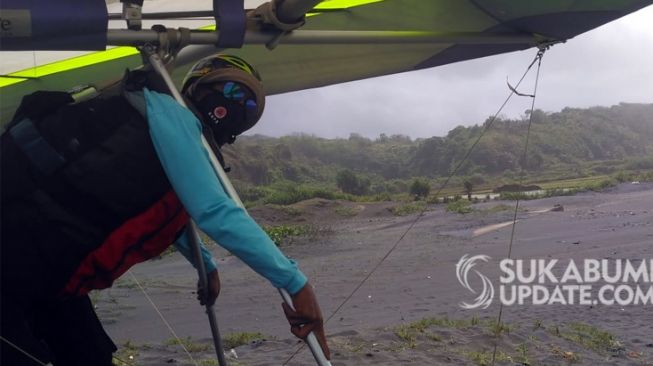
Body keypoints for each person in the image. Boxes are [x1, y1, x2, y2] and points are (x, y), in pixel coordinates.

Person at [0, 54, 330, 365]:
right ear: (201, 85)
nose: (238, 105)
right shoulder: (169, 113)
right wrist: (295, 283)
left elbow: (161, 209)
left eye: (250, 104)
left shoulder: (181, 139)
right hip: (15, 261)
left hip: (51, 277)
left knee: (90, 355)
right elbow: (215, 211)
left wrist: (207, 264)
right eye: (232, 90)